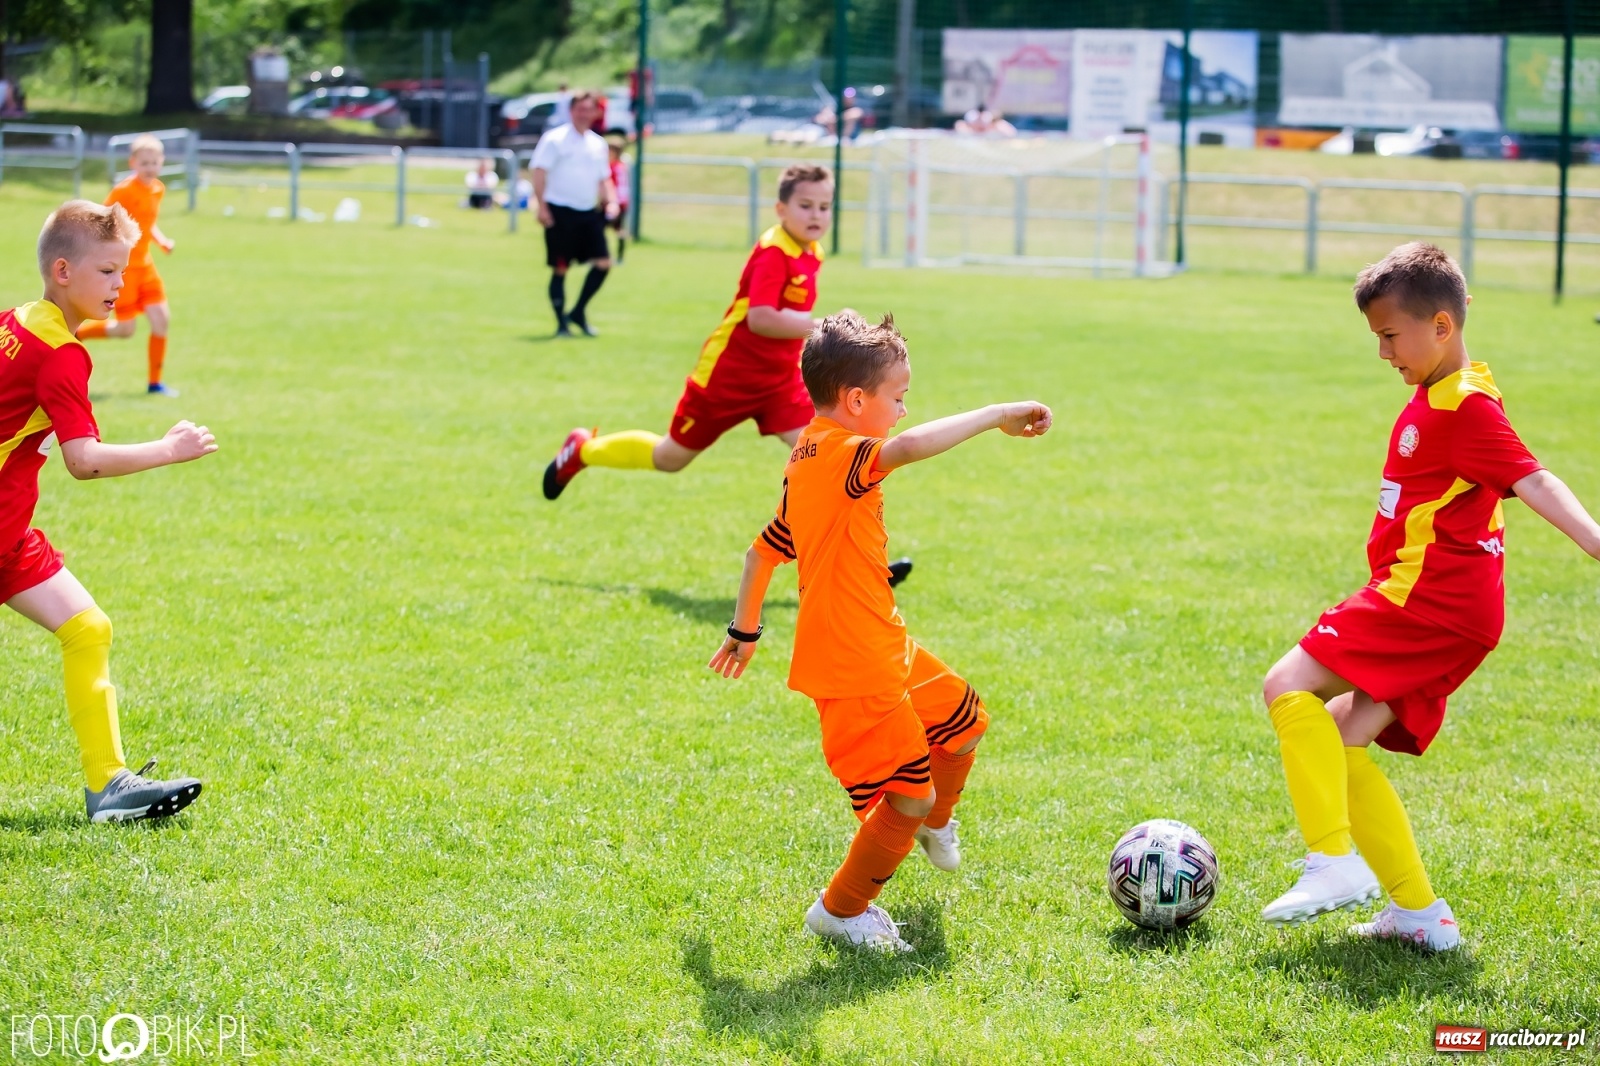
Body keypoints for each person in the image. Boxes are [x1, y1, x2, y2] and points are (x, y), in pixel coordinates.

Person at [1259, 242, 1600, 951]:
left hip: (1427, 599)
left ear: (1441, 325)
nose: (1384, 352)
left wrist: (1593, 540)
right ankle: (1420, 915)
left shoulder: (1466, 408)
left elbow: (1533, 478)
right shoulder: (1441, 391)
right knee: (1346, 739)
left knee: (1287, 683)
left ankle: (1331, 861)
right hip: (1450, 607)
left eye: (1390, 336)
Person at [707, 311, 1051, 951]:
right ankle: (840, 911)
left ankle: (933, 826)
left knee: (965, 721)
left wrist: (745, 631)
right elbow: (911, 447)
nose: (900, 411)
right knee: (908, 795)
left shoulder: (806, 453)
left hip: (881, 640)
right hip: (851, 661)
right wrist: (997, 412)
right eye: (897, 398)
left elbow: (763, 552)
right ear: (856, 400)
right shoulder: (844, 454)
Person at [4, 200, 217, 822]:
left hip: (9, 534)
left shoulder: (19, 318)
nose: (120, 285)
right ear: (64, 271)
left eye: (123, 272)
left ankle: (109, 787)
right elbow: (85, 460)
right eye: (106, 273)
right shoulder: (61, 355)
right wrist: (168, 449)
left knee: (87, 627)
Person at [541, 165, 827, 490]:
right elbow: (760, 320)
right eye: (805, 206)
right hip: (728, 376)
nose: (815, 215)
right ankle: (583, 451)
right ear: (781, 209)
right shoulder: (775, 253)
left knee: (818, 450)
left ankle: (818, 534)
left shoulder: (811, 251)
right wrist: (822, 326)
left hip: (779, 381)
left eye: (824, 207)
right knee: (670, 458)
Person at [74, 135, 179, 396]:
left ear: (162, 162)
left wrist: (162, 241)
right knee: (125, 329)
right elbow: (103, 221)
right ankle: (79, 333)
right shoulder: (123, 191)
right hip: (127, 270)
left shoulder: (158, 189)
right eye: (145, 162)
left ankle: (155, 384)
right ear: (133, 162)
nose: (150, 167)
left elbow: (146, 222)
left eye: (155, 162)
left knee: (161, 320)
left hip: (147, 266)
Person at [531, 90, 618, 338]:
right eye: (579, 109)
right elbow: (539, 172)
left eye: (588, 109)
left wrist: (610, 202)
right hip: (560, 211)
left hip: (587, 212)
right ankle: (561, 324)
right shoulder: (555, 139)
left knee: (603, 263)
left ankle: (578, 311)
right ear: (571, 111)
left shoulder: (597, 144)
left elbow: (604, 178)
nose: (583, 114)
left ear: (594, 113)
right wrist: (542, 206)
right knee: (561, 267)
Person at [607, 140, 630, 264]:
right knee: (618, 229)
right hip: (621, 201)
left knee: (614, 229)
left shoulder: (613, 167)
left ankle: (608, 257)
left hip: (615, 203)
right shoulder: (621, 166)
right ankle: (618, 257)